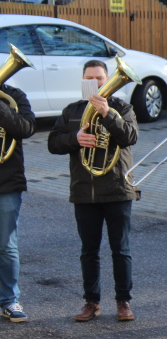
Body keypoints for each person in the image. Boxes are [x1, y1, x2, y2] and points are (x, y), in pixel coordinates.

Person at [48, 60, 138, 322]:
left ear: (108, 79)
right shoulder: (72, 111)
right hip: (84, 190)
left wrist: (107, 114)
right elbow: (53, 143)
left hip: (118, 188)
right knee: (89, 250)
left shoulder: (122, 107)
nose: (96, 83)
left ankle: (124, 302)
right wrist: (73, 139)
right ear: (83, 82)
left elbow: (130, 137)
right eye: (90, 78)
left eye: (100, 78)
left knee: (120, 249)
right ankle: (91, 302)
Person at [0, 78, 35, 323]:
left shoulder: (14, 96)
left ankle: (10, 300)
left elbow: (26, 128)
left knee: (6, 246)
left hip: (7, 182)